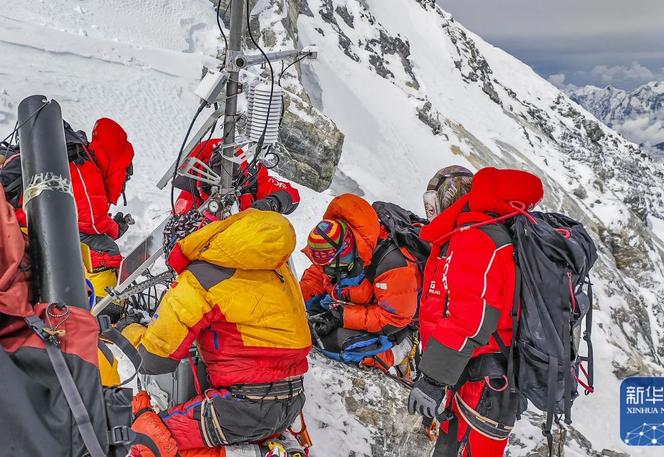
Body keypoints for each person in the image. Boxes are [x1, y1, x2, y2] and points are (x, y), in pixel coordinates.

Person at [122, 209, 312, 457]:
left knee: (146, 439)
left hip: (242, 408)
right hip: (292, 402)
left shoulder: (200, 278)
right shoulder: (275, 265)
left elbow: (152, 360)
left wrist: (126, 327)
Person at [407, 166, 544, 456]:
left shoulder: (478, 237)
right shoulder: (470, 233)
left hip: (483, 384)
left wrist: (433, 380)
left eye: (433, 202)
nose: (431, 211)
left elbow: (469, 318)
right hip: (471, 376)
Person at [1, 118, 135, 299]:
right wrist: (116, 229)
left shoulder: (77, 154)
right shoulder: (87, 172)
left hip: (22, 213)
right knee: (104, 250)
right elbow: (94, 224)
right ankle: (105, 306)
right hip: (26, 222)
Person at [300, 193, 422, 371]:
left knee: (338, 345)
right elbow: (315, 277)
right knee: (304, 324)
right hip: (352, 303)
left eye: (330, 265)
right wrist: (294, 302)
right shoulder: (336, 247)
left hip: (394, 325)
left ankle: (401, 352)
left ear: (345, 254)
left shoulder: (394, 264)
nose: (326, 269)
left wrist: (342, 317)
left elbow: (395, 318)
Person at [173, 138, 300, 216]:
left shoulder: (252, 182)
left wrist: (272, 203)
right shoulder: (192, 192)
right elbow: (178, 230)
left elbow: (292, 196)